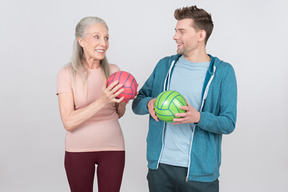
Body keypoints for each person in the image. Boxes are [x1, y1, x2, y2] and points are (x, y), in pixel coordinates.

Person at [132, 5, 237, 192]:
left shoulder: (223, 72)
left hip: (200, 174)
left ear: (200, 35)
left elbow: (228, 123)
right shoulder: (165, 65)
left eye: (181, 31)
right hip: (160, 168)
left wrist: (198, 117)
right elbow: (137, 101)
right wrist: (148, 104)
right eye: (175, 31)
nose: (175, 36)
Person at [56, 16, 127, 192]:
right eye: (96, 36)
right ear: (81, 41)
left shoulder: (114, 71)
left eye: (106, 37)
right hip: (78, 149)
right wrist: (102, 101)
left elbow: (118, 113)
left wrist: (124, 98)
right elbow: (68, 122)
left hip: (113, 147)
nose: (103, 42)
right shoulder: (66, 74)